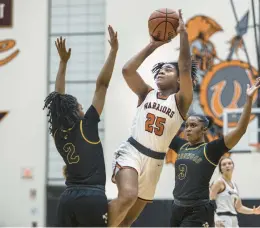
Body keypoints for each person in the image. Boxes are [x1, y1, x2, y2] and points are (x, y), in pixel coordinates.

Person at [108, 10, 197, 227]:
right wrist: (153, 45)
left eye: (167, 69)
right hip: (132, 151)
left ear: (178, 81)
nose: (160, 72)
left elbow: (185, 67)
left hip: (155, 162)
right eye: (159, 70)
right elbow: (127, 70)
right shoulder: (145, 93)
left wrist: (183, 35)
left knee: (126, 221)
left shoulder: (181, 101)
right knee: (127, 196)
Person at [43, 25, 118, 227]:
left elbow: (57, 99)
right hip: (91, 197)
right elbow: (102, 85)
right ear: (74, 111)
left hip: (67, 199)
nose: (83, 107)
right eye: (79, 106)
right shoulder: (88, 126)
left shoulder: (58, 133)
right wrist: (113, 52)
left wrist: (62, 63)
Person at [168, 77, 260, 227]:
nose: (188, 129)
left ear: (204, 129)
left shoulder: (210, 150)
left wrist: (249, 99)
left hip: (198, 210)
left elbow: (240, 130)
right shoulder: (181, 145)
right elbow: (162, 130)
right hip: (177, 207)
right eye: (186, 126)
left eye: (193, 125)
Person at [210, 156, 260, 227]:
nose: (227, 165)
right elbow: (209, 202)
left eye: (229, 163)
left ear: (233, 166)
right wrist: (216, 219)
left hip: (233, 218)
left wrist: (253, 211)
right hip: (222, 217)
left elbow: (239, 207)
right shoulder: (219, 182)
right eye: (224, 164)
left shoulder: (234, 185)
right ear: (221, 169)